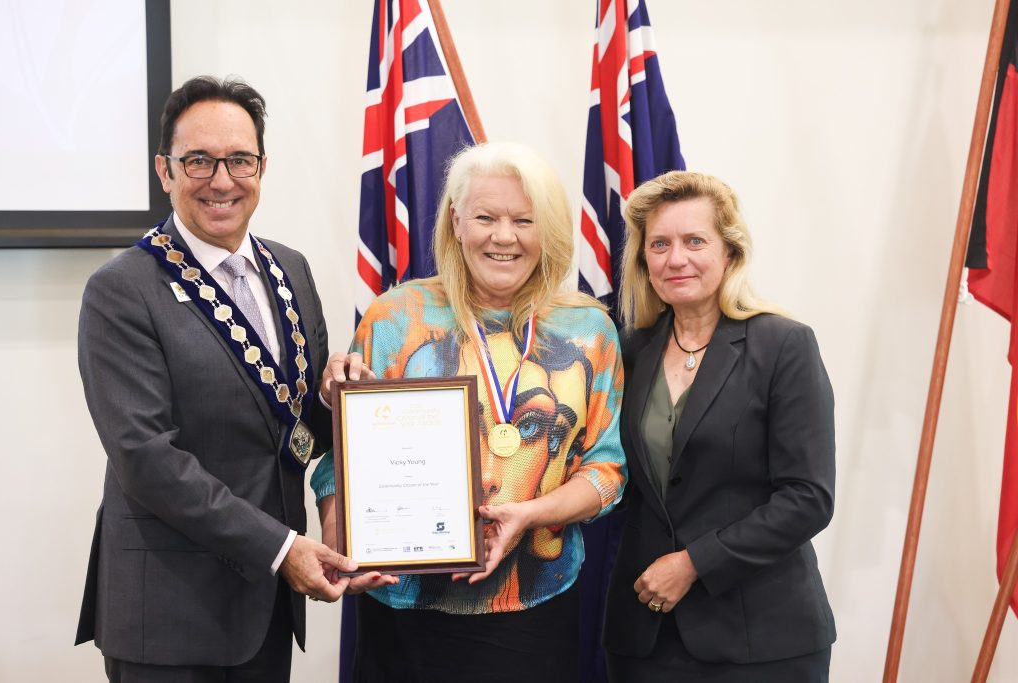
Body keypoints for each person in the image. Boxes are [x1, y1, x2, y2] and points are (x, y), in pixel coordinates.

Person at [75, 76, 387, 682]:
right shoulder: (121, 291)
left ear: (261, 167)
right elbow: (147, 458)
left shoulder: (289, 270)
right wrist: (282, 549)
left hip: (265, 611)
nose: (221, 180)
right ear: (165, 171)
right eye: (198, 160)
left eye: (239, 160)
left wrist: (338, 396)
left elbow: (297, 432)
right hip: (170, 616)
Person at [311, 142, 628, 682]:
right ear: (456, 221)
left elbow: (606, 471)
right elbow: (341, 458)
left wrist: (529, 514)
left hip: (535, 612)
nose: (503, 237)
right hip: (403, 615)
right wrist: (346, 543)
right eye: (486, 217)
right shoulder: (395, 318)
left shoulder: (590, 331)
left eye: (523, 220)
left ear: (546, 228)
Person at [602, 171, 836, 682]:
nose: (675, 258)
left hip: (762, 638)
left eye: (694, 241)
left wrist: (693, 563)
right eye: (659, 244)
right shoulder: (627, 350)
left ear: (729, 252)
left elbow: (808, 497)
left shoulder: (784, 346)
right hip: (645, 639)